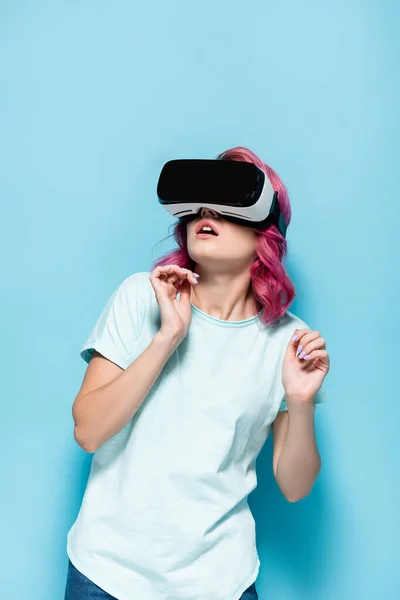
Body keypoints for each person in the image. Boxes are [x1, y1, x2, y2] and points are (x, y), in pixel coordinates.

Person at [64, 146, 330, 600]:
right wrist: (167, 337)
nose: (208, 213)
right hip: (107, 573)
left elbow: (295, 486)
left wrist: (300, 402)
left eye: (228, 204)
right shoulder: (141, 297)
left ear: (265, 232)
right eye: (200, 206)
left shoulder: (291, 341)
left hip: (219, 582)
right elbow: (88, 431)